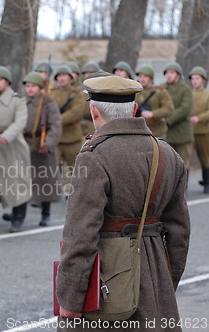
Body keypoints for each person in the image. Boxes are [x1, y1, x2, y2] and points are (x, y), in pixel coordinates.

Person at [57, 75, 190, 331]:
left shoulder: (93, 156)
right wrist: (165, 282)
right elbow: (180, 233)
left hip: (108, 284)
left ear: (94, 111)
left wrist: (71, 298)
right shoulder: (168, 153)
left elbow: (80, 235)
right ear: (135, 110)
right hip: (155, 276)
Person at [0, 66, 32, 233]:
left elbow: (20, 122)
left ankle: (18, 217)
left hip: (13, 145)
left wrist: (7, 136)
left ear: (7, 82)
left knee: (17, 181)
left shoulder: (18, 100)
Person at [21, 72, 62, 226]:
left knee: (45, 182)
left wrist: (48, 144)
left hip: (42, 144)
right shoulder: (23, 103)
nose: (30, 89)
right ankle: (19, 213)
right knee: (23, 181)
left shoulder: (48, 104)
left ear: (39, 88)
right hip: (26, 144)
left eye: (33, 86)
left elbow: (56, 126)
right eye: (28, 86)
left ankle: (46, 213)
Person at [49, 65, 85, 194]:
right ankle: (50, 194)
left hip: (72, 139)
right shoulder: (52, 93)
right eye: (59, 76)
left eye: (65, 76)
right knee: (51, 169)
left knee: (75, 171)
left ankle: (77, 194)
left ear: (71, 78)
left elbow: (77, 112)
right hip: (56, 138)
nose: (62, 78)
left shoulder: (76, 94)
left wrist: (58, 119)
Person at [164, 62, 194, 169]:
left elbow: (185, 108)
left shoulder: (185, 89)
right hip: (167, 134)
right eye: (167, 73)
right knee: (168, 165)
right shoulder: (162, 88)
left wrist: (168, 120)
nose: (168, 75)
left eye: (172, 72)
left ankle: (183, 186)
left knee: (182, 165)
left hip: (182, 133)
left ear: (178, 75)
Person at [135, 65, 174, 139]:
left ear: (151, 78)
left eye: (145, 76)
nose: (142, 79)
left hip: (157, 132)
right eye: (140, 76)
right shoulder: (136, 92)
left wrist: (153, 114)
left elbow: (169, 109)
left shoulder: (160, 91)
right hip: (140, 132)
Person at [189, 66, 209, 193]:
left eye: (197, 78)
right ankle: (182, 185)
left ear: (203, 80)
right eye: (193, 78)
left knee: (205, 157)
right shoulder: (189, 94)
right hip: (189, 132)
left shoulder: (207, 94)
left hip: (204, 131)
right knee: (185, 158)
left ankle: (207, 182)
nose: (195, 81)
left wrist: (199, 118)